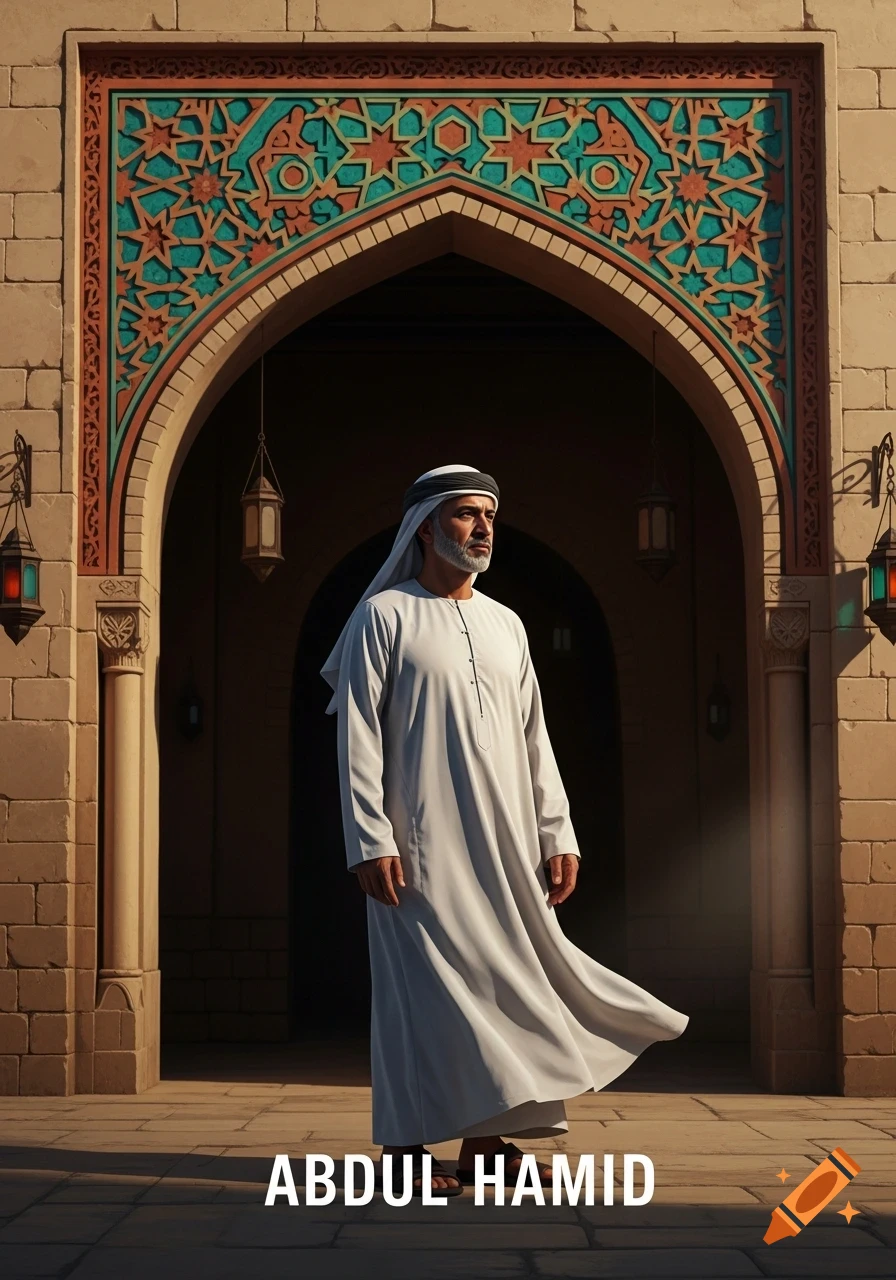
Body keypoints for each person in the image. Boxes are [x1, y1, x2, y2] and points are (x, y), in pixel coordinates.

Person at [321, 464, 688, 1196]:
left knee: (504, 988)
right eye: (465, 515)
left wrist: (558, 832)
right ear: (424, 526)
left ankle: (485, 1147)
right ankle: (403, 1153)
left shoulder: (506, 622)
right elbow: (358, 733)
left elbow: (533, 739)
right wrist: (369, 838)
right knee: (417, 997)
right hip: (414, 852)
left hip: (506, 844)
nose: (483, 528)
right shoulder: (384, 616)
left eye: (489, 515)